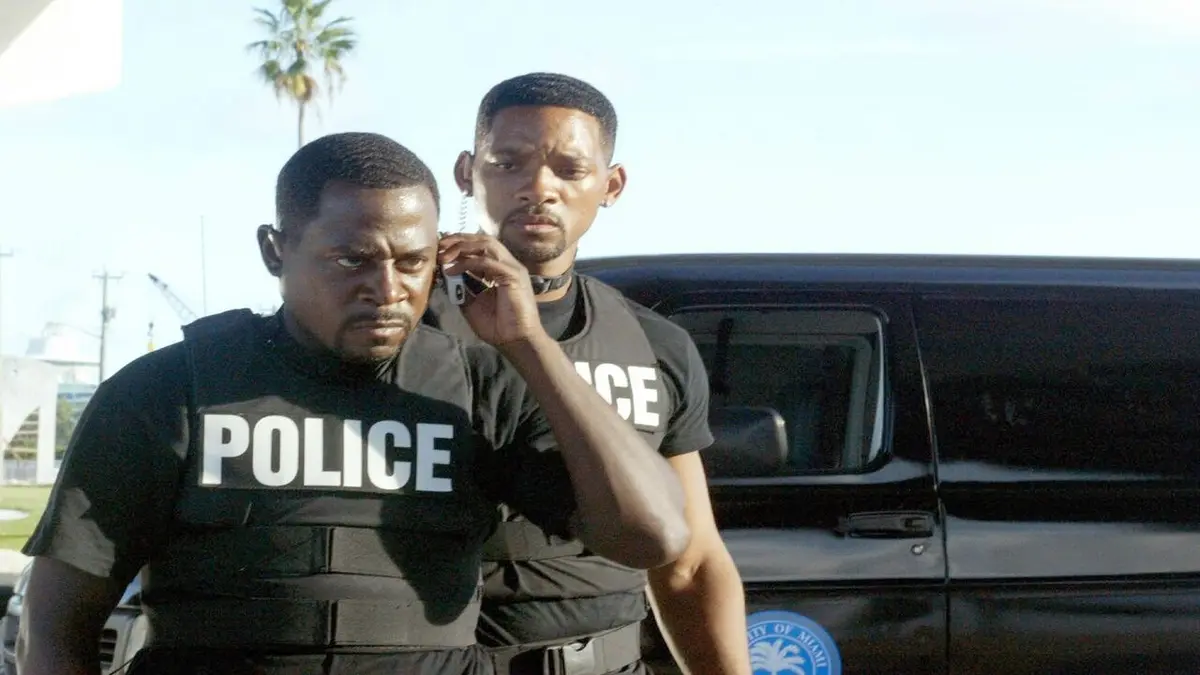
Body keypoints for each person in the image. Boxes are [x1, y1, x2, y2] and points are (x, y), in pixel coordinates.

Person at [16, 131, 691, 675]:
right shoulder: (169, 390)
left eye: (412, 262)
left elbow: (653, 535)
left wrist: (531, 345)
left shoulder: (481, 386)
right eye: (352, 260)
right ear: (275, 251)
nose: (388, 288)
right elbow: (52, 629)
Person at [424, 73, 752, 675]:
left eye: (570, 169)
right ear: (467, 172)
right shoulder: (403, 327)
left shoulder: (656, 345)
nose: (538, 188)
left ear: (611, 185)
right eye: (509, 163)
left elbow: (689, 563)